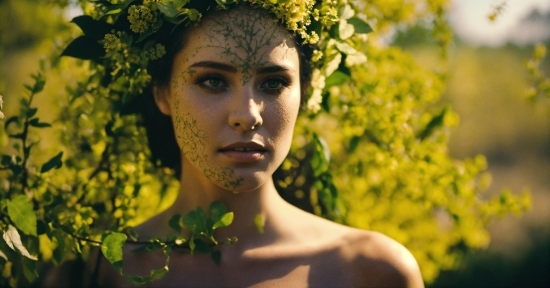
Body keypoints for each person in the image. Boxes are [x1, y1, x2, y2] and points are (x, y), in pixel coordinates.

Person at [47, 2, 424, 287]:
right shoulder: (94, 272)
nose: (247, 115)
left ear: (305, 95)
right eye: (212, 81)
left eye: (273, 83)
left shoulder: (372, 271)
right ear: (162, 93)